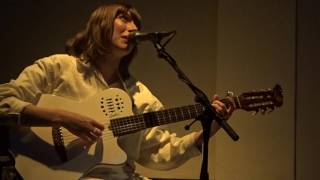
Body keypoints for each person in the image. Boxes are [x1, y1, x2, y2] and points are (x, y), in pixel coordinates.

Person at [0, 2, 232, 180]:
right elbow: (3, 102)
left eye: (136, 24)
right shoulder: (59, 68)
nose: (133, 28)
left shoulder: (139, 94)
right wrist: (62, 118)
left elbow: (157, 153)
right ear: (101, 24)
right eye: (124, 19)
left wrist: (207, 131)